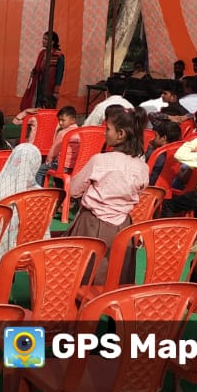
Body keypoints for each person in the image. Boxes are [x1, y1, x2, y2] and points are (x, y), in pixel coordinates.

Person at [64, 108, 149, 283]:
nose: (105, 133)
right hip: (123, 226)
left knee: (82, 274)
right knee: (115, 276)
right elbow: (140, 190)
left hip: (91, 224)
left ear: (120, 134)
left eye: (108, 129)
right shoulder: (142, 167)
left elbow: (73, 190)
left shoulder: (99, 160)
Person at [35, 105, 80, 185]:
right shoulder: (81, 132)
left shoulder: (62, 133)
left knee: (40, 171)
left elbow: (54, 151)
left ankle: (39, 189)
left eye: (63, 120)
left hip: (62, 166)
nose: (60, 123)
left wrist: (48, 161)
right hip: (76, 166)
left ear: (73, 120)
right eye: (59, 120)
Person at [19, 30, 64, 110]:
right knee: (37, 106)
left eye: (46, 39)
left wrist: (56, 91)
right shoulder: (42, 53)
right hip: (39, 85)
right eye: (43, 38)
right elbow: (38, 68)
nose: (43, 41)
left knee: (48, 106)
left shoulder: (59, 56)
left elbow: (59, 75)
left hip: (50, 87)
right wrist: (34, 72)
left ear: (52, 42)